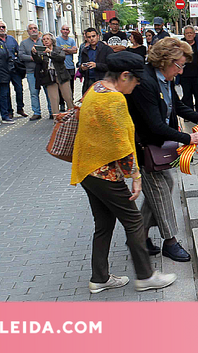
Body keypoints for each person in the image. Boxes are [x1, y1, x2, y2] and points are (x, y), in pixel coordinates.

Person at [71, 51, 177, 293]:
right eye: (136, 80)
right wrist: (136, 177)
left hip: (87, 169)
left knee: (104, 223)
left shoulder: (96, 88)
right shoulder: (115, 99)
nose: (138, 85)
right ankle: (146, 276)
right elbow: (122, 144)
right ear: (125, 75)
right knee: (134, 221)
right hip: (104, 173)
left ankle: (99, 278)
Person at [125, 37, 198, 261]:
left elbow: (176, 105)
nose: (180, 71)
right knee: (160, 189)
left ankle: (138, 236)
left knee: (162, 187)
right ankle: (170, 242)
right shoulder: (145, 82)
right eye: (179, 65)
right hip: (142, 146)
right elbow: (155, 126)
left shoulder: (165, 78)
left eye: (183, 66)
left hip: (154, 143)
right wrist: (188, 137)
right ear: (164, 61)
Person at [32, 33, 74, 117]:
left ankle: (73, 115)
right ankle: (56, 119)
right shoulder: (41, 51)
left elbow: (61, 58)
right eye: (44, 39)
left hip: (61, 75)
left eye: (48, 39)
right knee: (54, 99)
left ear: (52, 40)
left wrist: (50, 52)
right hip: (49, 77)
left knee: (67, 97)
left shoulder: (58, 49)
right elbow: (38, 61)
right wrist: (34, 53)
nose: (46, 40)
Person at [20, 23, 51, 120]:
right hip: (31, 72)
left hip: (44, 71)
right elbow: (21, 55)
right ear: (28, 31)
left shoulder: (43, 41)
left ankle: (52, 111)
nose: (33, 30)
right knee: (34, 92)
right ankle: (36, 112)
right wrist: (32, 58)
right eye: (31, 29)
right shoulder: (24, 43)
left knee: (49, 92)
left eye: (35, 28)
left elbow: (50, 50)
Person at [0, 21, 26, 118]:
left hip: (14, 68)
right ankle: (9, 111)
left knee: (19, 89)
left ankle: (20, 108)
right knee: (6, 92)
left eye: (3, 27)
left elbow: (19, 52)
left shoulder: (11, 39)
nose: (1, 29)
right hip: (2, 69)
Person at [177, 25, 198, 112]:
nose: (189, 35)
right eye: (187, 33)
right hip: (185, 75)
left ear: (194, 34)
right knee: (187, 96)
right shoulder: (180, 45)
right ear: (184, 35)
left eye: (191, 33)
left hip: (197, 75)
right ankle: (189, 114)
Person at [80, 27, 114, 94]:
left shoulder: (106, 49)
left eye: (93, 36)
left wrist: (96, 65)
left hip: (103, 81)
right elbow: (81, 68)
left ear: (98, 36)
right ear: (86, 38)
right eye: (89, 37)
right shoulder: (85, 50)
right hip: (89, 81)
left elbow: (112, 66)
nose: (92, 39)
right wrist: (82, 68)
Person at [56, 24, 78, 98]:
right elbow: (58, 51)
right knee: (61, 86)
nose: (65, 31)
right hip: (61, 67)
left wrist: (65, 50)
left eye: (67, 29)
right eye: (64, 29)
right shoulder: (57, 40)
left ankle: (71, 102)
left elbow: (75, 51)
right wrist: (70, 50)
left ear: (69, 31)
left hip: (70, 66)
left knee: (71, 86)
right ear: (61, 31)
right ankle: (62, 103)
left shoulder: (71, 40)